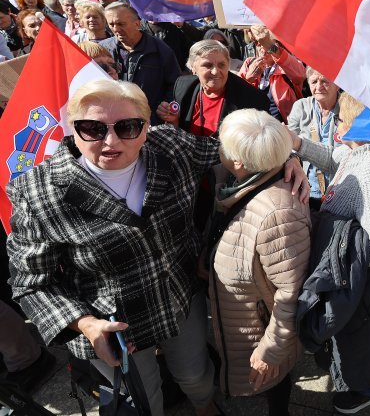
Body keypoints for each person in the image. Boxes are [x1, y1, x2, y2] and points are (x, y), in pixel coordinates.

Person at [4, 80, 307, 416]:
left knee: (196, 376)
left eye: (128, 127)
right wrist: (86, 324)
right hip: (114, 328)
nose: (111, 141)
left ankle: (205, 408)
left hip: (180, 302)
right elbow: (31, 282)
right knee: (144, 400)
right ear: (73, 128)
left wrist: (286, 158)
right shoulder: (38, 192)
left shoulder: (171, 146)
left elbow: (242, 149)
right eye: (92, 128)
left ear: (147, 127)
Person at [287, 92, 370, 413]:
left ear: (355, 125)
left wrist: (339, 257)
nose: (336, 123)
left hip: (368, 280)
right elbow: (336, 158)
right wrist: (298, 143)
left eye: (341, 119)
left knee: (366, 340)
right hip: (359, 275)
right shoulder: (363, 149)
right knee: (357, 336)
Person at [209, 109, 310, 414]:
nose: (217, 147)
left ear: (239, 161)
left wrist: (272, 350)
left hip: (259, 335)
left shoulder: (278, 216)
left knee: (272, 394)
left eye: (221, 143)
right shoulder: (241, 178)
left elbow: (290, 293)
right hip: (236, 322)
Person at [164, 40, 270, 137]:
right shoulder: (183, 87)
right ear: (193, 67)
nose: (215, 71)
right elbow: (179, 132)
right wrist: (174, 121)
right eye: (208, 65)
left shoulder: (252, 99)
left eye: (221, 65)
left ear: (228, 65)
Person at [106, 1, 181, 122]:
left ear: (137, 24)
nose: (116, 29)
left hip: (149, 122)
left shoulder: (160, 50)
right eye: (111, 24)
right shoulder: (104, 50)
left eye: (121, 24)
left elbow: (175, 85)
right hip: (114, 121)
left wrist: (164, 108)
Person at [287, 67, 341, 209]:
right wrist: (293, 158)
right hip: (305, 192)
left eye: (325, 81)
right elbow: (288, 149)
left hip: (337, 193)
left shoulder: (347, 110)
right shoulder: (301, 107)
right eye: (314, 81)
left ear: (338, 83)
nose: (318, 87)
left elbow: (338, 159)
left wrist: (298, 143)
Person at [239, 25, 304, 123]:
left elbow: (300, 75)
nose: (261, 47)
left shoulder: (287, 64)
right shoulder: (249, 63)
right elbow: (234, 91)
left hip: (284, 126)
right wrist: (248, 78)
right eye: (257, 43)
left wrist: (270, 46)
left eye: (264, 43)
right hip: (256, 124)